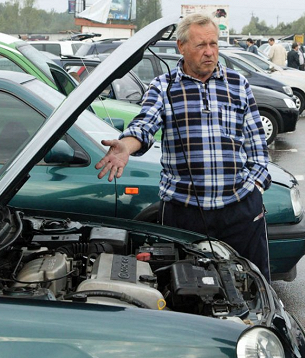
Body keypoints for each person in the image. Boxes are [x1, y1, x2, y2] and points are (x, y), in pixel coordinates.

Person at [94, 13, 272, 281]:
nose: (210, 52)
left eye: (213, 44)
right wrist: (126, 147)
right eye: (201, 45)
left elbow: (256, 141)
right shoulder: (163, 87)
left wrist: (256, 186)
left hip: (240, 209)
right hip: (185, 214)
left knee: (253, 285)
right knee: (187, 291)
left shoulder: (238, 84)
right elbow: (144, 125)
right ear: (181, 46)